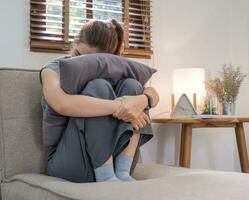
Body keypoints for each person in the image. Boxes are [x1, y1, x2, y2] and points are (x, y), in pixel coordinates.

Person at [40, 19, 159, 183]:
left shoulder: (115, 68)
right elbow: (62, 104)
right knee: (99, 86)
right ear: (74, 44)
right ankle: (106, 176)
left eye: (95, 61)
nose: (86, 65)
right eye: (80, 57)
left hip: (118, 166)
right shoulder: (53, 69)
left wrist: (142, 100)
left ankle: (123, 171)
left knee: (133, 85)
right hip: (73, 164)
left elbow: (153, 92)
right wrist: (123, 106)